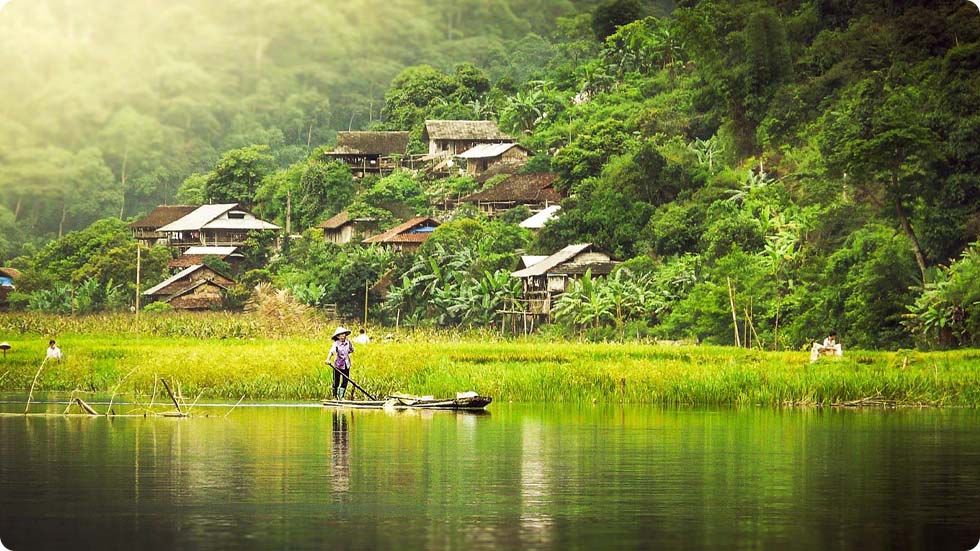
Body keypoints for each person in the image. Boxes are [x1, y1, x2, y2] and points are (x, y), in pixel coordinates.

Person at [326, 326, 354, 399]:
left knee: (345, 381)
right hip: (338, 365)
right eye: (340, 335)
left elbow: (351, 350)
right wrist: (328, 359)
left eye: (344, 334)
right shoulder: (336, 344)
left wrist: (348, 353)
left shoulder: (348, 342)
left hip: (346, 365)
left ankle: (341, 397)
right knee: (336, 382)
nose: (342, 336)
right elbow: (331, 351)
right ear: (338, 336)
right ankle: (335, 397)